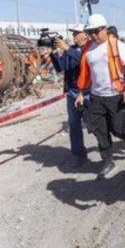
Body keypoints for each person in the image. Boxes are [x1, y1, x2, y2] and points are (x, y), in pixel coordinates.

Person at [76, 13, 125, 180]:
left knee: (119, 128)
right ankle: (108, 161)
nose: (93, 35)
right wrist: (81, 93)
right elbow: (85, 74)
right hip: (96, 97)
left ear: (104, 29)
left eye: (96, 31)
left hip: (116, 95)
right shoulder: (88, 49)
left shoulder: (117, 45)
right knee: (99, 131)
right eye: (90, 32)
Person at [49, 24, 90, 167]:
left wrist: (66, 48)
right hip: (72, 92)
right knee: (74, 124)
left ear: (85, 34)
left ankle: (107, 151)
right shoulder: (71, 49)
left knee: (94, 123)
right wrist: (54, 53)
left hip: (87, 92)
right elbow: (61, 67)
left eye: (77, 33)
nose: (74, 36)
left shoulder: (90, 48)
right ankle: (79, 154)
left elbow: (85, 61)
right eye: (73, 33)